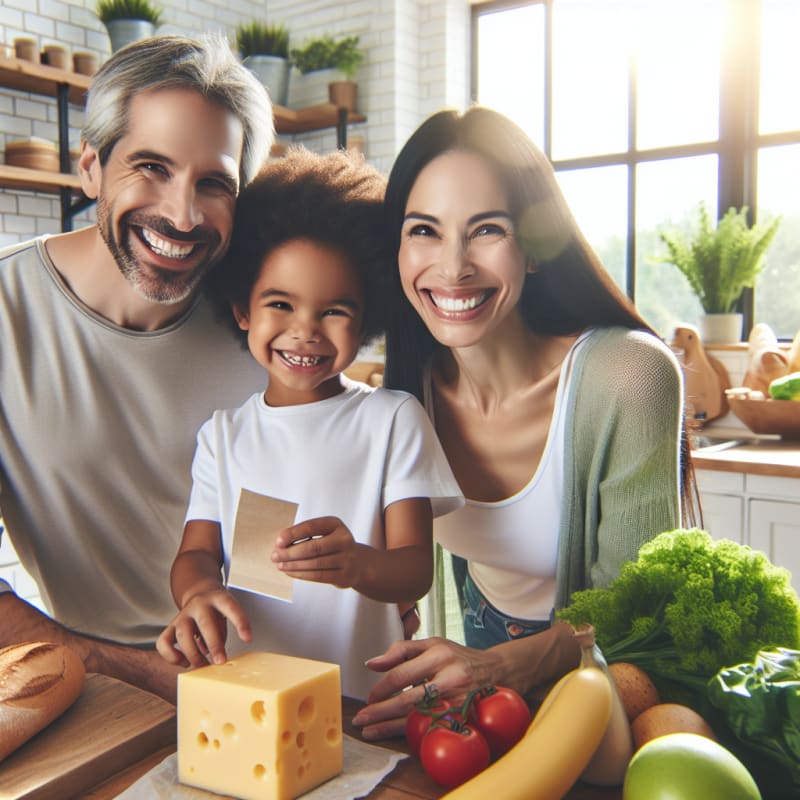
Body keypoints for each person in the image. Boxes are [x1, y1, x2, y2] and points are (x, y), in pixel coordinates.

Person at [351, 107, 692, 739]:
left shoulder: (627, 376)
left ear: (534, 248)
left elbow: (639, 614)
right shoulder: (402, 395)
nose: (452, 268)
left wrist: (495, 667)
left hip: (611, 692)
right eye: (424, 230)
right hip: (480, 702)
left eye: (486, 231)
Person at [0, 34, 274, 702]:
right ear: (90, 166)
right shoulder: (7, 311)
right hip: (94, 683)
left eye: (214, 183)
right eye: (151, 166)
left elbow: (273, 543)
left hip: (262, 676)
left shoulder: (264, 327)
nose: (182, 215)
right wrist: (130, 669)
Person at [155, 148, 463, 699]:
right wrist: (197, 592)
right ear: (242, 310)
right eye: (280, 304)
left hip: (364, 700)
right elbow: (196, 554)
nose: (306, 332)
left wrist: (359, 566)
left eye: (334, 311)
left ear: (365, 320)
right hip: (253, 702)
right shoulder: (223, 437)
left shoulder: (391, 421)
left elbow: (416, 569)